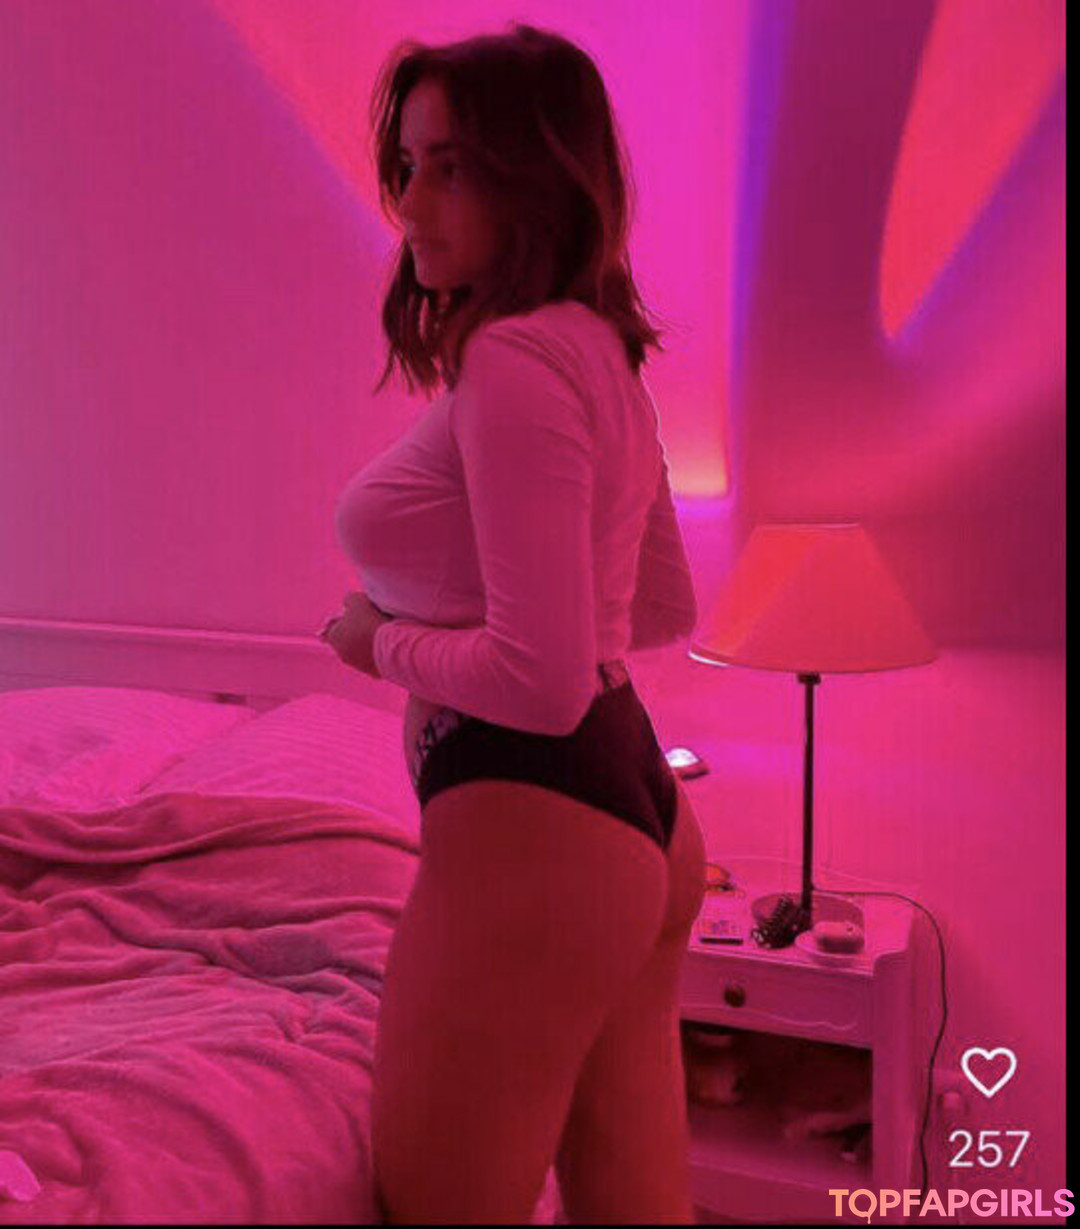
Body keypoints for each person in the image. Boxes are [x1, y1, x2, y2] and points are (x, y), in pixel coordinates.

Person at [320, 22, 707, 1224]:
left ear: (536, 175)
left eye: (451, 168)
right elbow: (661, 605)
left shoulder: (513, 362)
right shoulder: (602, 351)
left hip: (532, 818)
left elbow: (540, 684)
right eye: (409, 166)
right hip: (633, 805)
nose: (410, 205)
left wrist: (377, 639)